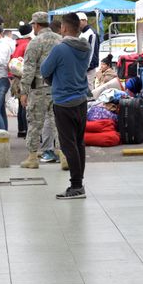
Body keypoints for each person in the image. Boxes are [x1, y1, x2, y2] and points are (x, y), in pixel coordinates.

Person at [40, 13, 90, 199]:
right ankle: (79, 182)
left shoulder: (59, 49)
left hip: (63, 102)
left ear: (64, 28)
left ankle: (76, 186)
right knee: (79, 143)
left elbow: (45, 70)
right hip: (81, 100)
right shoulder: (86, 47)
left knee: (68, 145)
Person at [19, 11, 63, 169]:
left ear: (36, 25)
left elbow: (29, 69)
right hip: (58, 89)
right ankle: (63, 155)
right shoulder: (60, 40)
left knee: (35, 123)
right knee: (58, 123)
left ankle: (32, 157)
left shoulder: (35, 42)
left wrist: (23, 91)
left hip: (39, 89)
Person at [11, 22, 33, 138]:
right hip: (25, 77)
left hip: (16, 78)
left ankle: (21, 129)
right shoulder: (29, 44)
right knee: (26, 104)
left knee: (21, 104)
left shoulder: (17, 44)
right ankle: (27, 130)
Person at [78, 12, 99, 91]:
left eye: (78, 21)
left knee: (89, 89)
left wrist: (87, 67)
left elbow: (92, 52)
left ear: (84, 21)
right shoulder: (81, 34)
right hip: (82, 67)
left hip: (88, 68)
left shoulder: (91, 33)